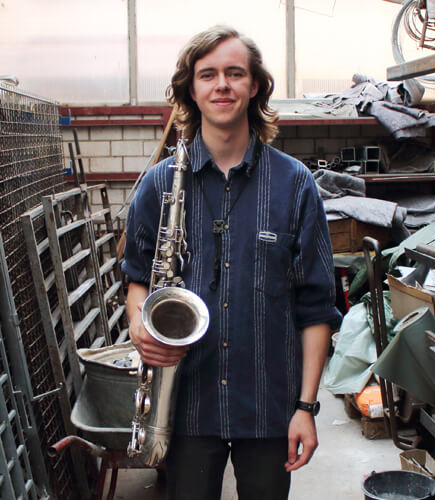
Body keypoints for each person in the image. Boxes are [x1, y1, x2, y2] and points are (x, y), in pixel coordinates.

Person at [122, 25, 342, 500]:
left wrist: (306, 407)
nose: (221, 85)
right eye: (208, 75)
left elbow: (317, 308)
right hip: (185, 406)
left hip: (269, 409)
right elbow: (137, 279)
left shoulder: (296, 184)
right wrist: (139, 324)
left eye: (235, 73)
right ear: (191, 89)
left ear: (255, 85)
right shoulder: (158, 185)